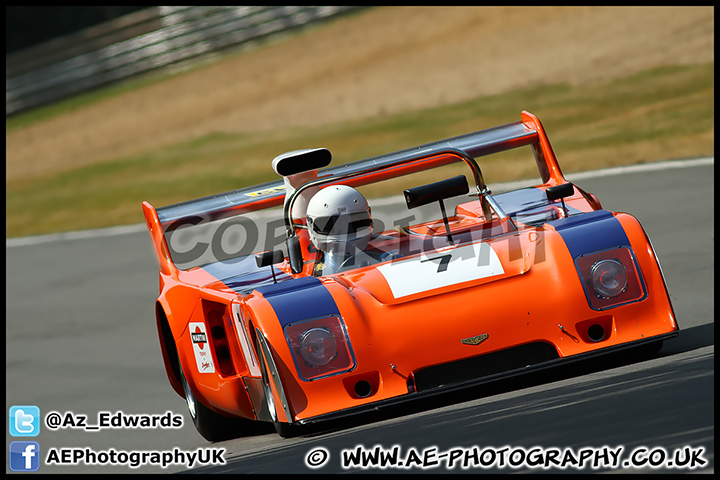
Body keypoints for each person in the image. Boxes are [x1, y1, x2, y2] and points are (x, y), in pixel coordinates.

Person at [306, 185, 378, 275]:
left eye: (354, 222)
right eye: (332, 225)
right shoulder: (308, 269)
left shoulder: (392, 244)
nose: (344, 230)